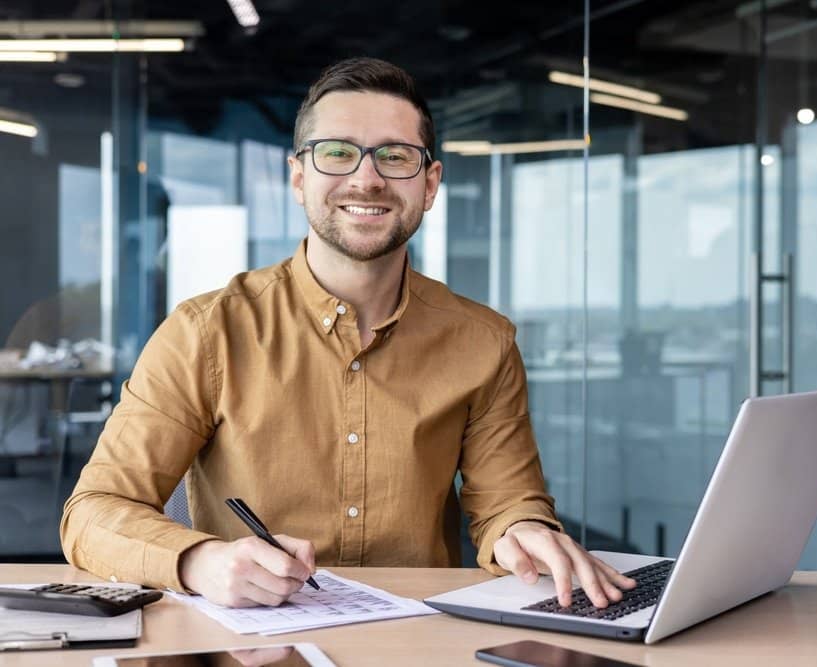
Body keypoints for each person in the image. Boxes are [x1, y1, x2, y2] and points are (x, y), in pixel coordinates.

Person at [61, 57, 634, 610]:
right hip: (253, 647)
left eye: (396, 155)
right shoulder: (206, 332)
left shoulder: (484, 341)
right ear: (298, 177)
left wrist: (522, 530)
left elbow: (508, 501)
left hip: (416, 645)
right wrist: (199, 560)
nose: (367, 178)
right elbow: (92, 513)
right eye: (337, 153)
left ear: (429, 184)